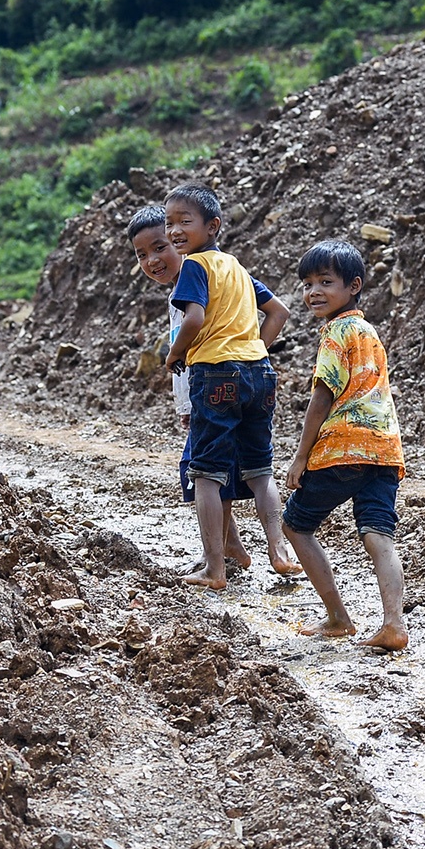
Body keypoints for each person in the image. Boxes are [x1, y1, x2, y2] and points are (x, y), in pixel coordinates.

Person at [127, 205, 292, 574]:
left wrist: (176, 354)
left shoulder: (196, 274)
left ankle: (218, 559)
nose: (153, 259)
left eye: (161, 245)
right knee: (232, 468)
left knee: (206, 472)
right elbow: (277, 311)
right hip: (243, 379)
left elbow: (198, 325)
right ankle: (240, 547)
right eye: (142, 254)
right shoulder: (226, 271)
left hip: (213, 385)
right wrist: (252, 354)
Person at [279, 239, 408, 650]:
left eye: (324, 282)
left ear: (353, 286)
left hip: (343, 448)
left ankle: (337, 617)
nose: (313, 291)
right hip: (385, 450)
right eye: (307, 283)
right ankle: (393, 625)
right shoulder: (369, 332)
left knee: (295, 524)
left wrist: (301, 457)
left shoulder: (336, 332)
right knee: (378, 534)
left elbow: (323, 396)